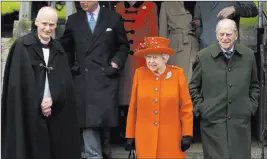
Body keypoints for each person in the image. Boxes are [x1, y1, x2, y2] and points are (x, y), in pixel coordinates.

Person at [1, 7, 81, 159]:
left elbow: (64, 83)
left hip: (54, 112)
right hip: (28, 112)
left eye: (51, 25)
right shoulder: (22, 46)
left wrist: (53, 99)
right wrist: (38, 102)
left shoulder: (58, 49)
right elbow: (17, 85)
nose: (47, 28)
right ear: (36, 22)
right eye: (44, 23)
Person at [59, 1, 130, 159]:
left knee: (104, 124)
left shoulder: (113, 18)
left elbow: (123, 46)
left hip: (106, 78)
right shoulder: (73, 20)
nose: (82, 1)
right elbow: (66, 47)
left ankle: (104, 152)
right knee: (88, 124)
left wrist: (116, 63)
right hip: (83, 80)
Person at [189, 19, 260, 159]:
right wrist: (201, 108)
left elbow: (255, 85)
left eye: (228, 34)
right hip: (213, 123)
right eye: (221, 34)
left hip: (239, 122)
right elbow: (193, 87)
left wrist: (250, 106)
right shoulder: (203, 56)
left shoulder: (248, 56)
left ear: (236, 35)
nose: (225, 38)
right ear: (216, 36)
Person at [125, 37, 193, 159]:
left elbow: (186, 107)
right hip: (144, 138)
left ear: (164, 57)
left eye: (155, 57)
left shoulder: (177, 74)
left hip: (171, 139)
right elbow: (133, 107)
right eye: (148, 57)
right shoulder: (139, 74)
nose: (151, 61)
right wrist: (130, 135)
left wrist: (187, 133)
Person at [159, 1, 199, 83]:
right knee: (176, 79)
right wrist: (162, 53)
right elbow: (163, 32)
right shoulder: (166, 4)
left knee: (192, 77)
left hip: (193, 44)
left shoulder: (196, 3)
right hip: (176, 47)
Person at [192, 1, 258, 49]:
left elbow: (253, 10)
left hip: (228, 49)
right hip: (206, 49)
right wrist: (198, 27)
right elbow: (198, 20)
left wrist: (234, 9)